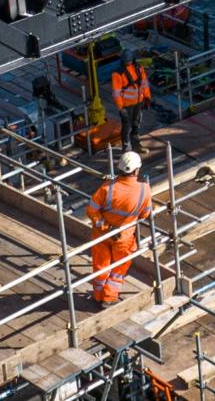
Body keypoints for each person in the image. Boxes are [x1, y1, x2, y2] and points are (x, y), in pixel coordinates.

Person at [86, 150, 151, 305]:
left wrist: (106, 227)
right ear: (136, 170)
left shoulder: (107, 188)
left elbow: (91, 211)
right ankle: (109, 298)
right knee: (118, 268)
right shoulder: (144, 190)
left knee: (101, 265)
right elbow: (145, 214)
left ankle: (98, 295)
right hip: (124, 237)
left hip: (102, 234)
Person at [109, 55, 152, 153]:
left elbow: (144, 83)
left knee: (136, 124)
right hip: (126, 106)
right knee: (127, 127)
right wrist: (120, 108)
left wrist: (147, 97)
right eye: (126, 61)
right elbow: (116, 92)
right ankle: (126, 149)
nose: (128, 62)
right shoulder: (118, 74)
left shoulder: (139, 68)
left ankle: (136, 145)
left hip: (138, 102)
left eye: (129, 60)